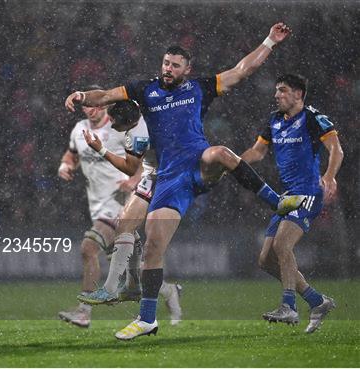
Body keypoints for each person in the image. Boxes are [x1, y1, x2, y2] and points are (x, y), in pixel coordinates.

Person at [64, 23, 304, 340]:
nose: (168, 69)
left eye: (175, 65)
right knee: (152, 244)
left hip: (198, 164)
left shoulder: (199, 88)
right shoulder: (144, 91)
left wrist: (270, 41)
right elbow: (105, 95)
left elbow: (241, 70)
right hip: (169, 177)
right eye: (166, 63)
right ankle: (146, 317)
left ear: (186, 70)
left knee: (219, 153)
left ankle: (277, 202)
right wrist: (82, 95)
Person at [240, 74, 343, 333]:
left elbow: (336, 149)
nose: (277, 95)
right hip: (287, 196)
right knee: (265, 260)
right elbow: (257, 152)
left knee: (282, 244)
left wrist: (329, 176)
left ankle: (289, 307)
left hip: (309, 191)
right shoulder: (274, 120)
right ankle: (316, 301)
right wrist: (232, 162)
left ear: (298, 94)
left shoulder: (311, 117)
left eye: (283, 91)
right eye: (276, 90)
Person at [77, 100, 182, 325]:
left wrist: (101, 149)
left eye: (115, 122)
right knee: (125, 225)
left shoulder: (136, 134)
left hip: (164, 176)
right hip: (158, 173)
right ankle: (132, 286)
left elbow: (129, 167)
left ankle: (111, 289)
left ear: (127, 121)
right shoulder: (142, 110)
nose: (112, 125)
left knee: (135, 234)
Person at [57, 86, 140, 328]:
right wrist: (65, 166)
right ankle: (168, 291)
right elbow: (71, 154)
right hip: (97, 206)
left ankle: (84, 313)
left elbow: (141, 159)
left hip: (119, 204)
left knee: (88, 247)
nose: (91, 109)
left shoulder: (117, 128)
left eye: (95, 104)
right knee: (126, 271)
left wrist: (133, 181)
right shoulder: (79, 129)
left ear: (103, 104)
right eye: (86, 106)